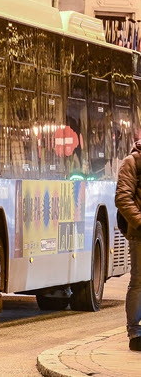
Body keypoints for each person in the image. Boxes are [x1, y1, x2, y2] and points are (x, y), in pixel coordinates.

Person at [115, 140, 141, 352]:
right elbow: (123, 198)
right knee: (139, 282)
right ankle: (135, 332)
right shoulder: (132, 162)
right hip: (140, 235)